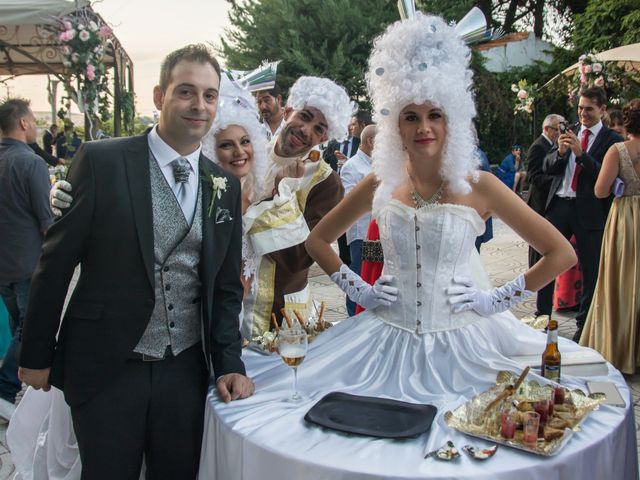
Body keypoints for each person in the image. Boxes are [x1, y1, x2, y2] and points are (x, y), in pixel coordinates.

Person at [9, 71, 269, 480]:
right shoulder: (102, 159)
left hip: (184, 368)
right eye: (186, 92)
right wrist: (36, 353)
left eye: (209, 95)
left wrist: (228, 362)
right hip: (106, 363)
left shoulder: (222, 184)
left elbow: (223, 286)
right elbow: (55, 263)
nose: (198, 104)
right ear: (159, 95)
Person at [240, 76, 354, 340]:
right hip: (229, 299)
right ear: (289, 112)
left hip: (279, 313)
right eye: (305, 116)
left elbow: (300, 257)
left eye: (319, 129)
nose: (307, 131)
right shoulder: (246, 154)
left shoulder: (326, 183)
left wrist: (280, 195)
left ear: (325, 138)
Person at [540, 86, 624, 341]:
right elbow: (547, 167)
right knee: (547, 260)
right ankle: (542, 317)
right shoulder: (570, 131)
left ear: (602, 110)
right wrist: (562, 153)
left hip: (589, 210)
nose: (583, 113)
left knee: (591, 267)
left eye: (589, 109)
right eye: (580, 108)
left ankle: (583, 325)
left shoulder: (613, 140)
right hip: (560, 205)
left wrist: (581, 154)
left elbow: (607, 177)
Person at [0, 98, 53, 422]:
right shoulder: (30, 162)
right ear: (22, 123)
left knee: (18, 323)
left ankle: (14, 386)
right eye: (33, 120)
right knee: (28, 327)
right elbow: (46, 219)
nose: (35, 126)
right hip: (26, 261)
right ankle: (5, 387)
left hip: (3, 262)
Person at [581, 99, 640, 372]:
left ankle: (620, 349)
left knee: (621, 281)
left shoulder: (618, 150)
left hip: (626, 220)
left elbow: (600, 191)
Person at [526, 113, 564, 312]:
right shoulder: (538, 147)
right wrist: (558, 182)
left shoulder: (554, 146)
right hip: (539, 205)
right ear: (548, 129)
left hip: (550, 205)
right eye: (557, 129)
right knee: (538, 251)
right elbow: (534, 176)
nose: (560, 133)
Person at [340, 124, 376, 315]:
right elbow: (350, 201)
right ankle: (353, 317)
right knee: (358, 277)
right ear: (370, 141)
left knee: (372, 277)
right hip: (361, 234)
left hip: (377, 233)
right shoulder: (352, 166)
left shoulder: (376, 164)